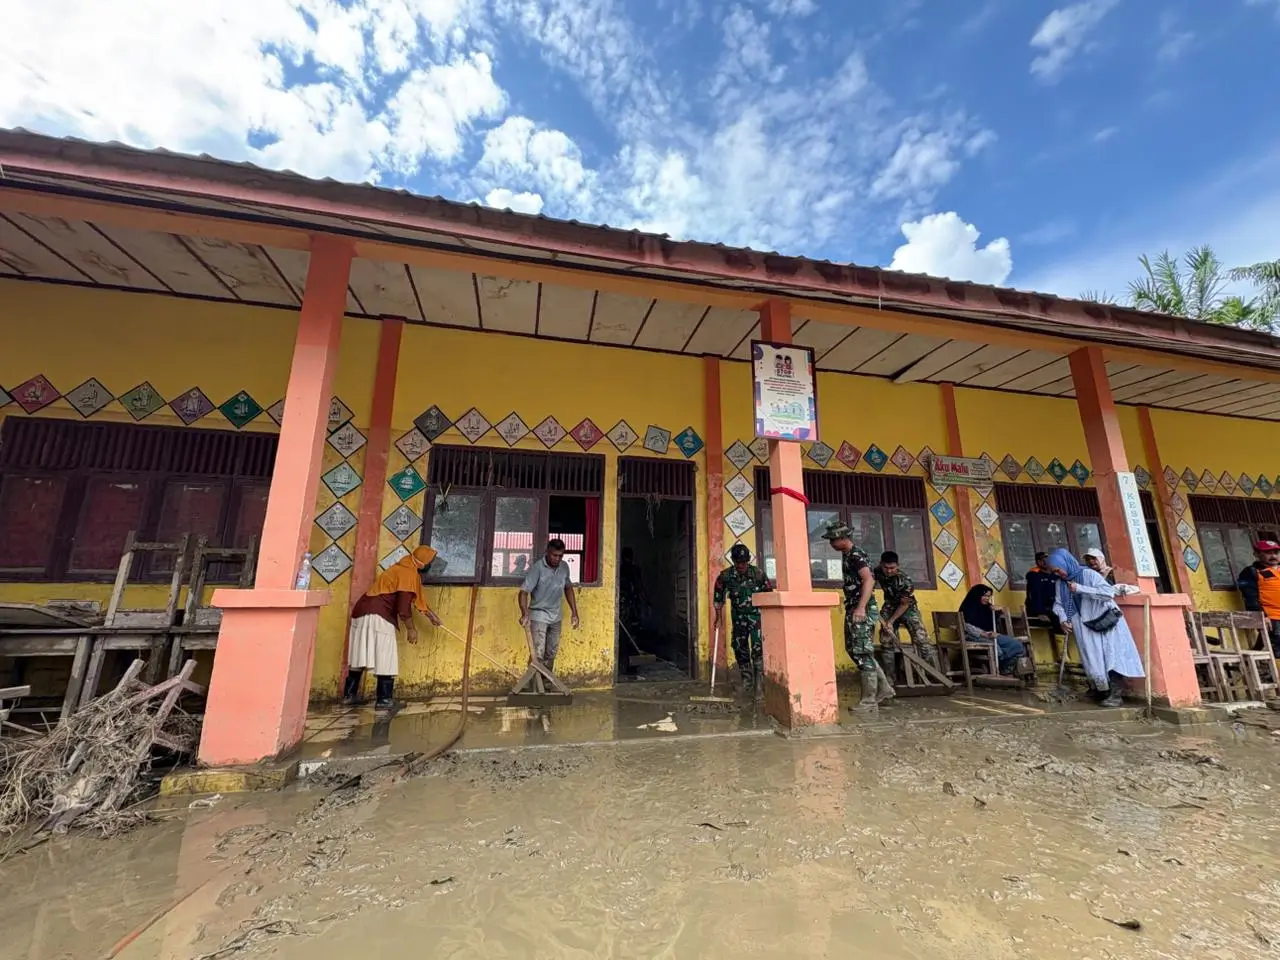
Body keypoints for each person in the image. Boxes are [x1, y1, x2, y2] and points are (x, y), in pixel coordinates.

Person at [344, 545, 442, 710]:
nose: (430, 565)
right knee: (385, 656)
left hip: (362, 611)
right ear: (423, 562)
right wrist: (411, 629)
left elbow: (416, 600)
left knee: (360, 653)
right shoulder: (408, 574)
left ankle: (349, 695)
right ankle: (384, 700)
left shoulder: (403, 567)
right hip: (379, 615)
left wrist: (430, 615)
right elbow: (403, 608)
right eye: (430, 562)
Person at [1047, 547, 1145, 707]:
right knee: (1092, 659)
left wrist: (1080, 588)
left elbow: (1107, 593)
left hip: (1104, 621)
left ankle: (1115, 695)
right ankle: (1101, 690)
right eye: (1054, 572)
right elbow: (1058, 604)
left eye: (1058, 570)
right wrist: (1063, 619)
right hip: (1083, 625)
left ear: (1065, 564)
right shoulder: (1060, 583)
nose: (1058, 574)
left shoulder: (1088, 574)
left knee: (1111, 657)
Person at [822, 519, 892, 712]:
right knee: (854, 649)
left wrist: (861, 608)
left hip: (861, 609)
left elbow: (869, 580)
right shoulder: (848, 555)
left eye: (833, 540)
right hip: (853, 607)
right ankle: (885, 688)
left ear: (843, 538)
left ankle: (869, 700)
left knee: (861, 651)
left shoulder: (856, 555)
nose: (831, 544)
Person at [713, 544, 772, 696]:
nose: (741, 566)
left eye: (744, 562)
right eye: (738, 562)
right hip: (738, 619)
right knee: (740, 648)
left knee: (758, 650)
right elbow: (718, 596)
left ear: (748, 560)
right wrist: (718, 617)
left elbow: (769, 596)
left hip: (757, 620)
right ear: (733, 561)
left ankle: (759, 686)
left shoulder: (758, 574)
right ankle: (747, 682)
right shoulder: (726, 576)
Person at [518, 539, 581, 674]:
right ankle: (533, 683)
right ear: (547, 552)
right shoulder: (537, 568)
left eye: (560, 556)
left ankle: (545, 682)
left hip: (556, 616)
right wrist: (524, 613)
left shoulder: (564, 567)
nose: (557, 559)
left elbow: (568, 588)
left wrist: (574, 612)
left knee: (551, 654)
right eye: (554, 555)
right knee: (537, 655)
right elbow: (523, 592)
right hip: (538, 615)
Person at [874, 550, 941, 672]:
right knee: (886, 641)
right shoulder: (877, 571)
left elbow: (904, 605)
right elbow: (869, 582)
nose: (889, 571)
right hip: (889, 606)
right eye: (886, 568)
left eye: (892, 568)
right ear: (881, 564)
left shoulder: (905, 581)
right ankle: (890, 678)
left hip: (908, 608)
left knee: (922, 640)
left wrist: (890, 621)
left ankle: (934, 675)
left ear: (898, 566)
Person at [958, 585, 1027, 677]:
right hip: (973, 636)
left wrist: (999, 610)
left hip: (991, 634)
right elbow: (966, 626)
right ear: (977, 595)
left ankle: (1004, 670)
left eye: (988, 596)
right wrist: (983, 634)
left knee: (1017, 646)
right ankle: (997, 670)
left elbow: (994, 623)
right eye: (984, 596)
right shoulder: (967, 607)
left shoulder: (988, 607)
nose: (987, 598)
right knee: (998, 652)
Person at [1250, 538, 1280, 655]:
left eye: (1276, 552)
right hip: (1272, 617)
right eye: (1268, 552)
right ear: (1257, 554)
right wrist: (1261, 616)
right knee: (1277, 650)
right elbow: (1250, 598)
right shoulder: (1252, 572)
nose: (1273, 556)